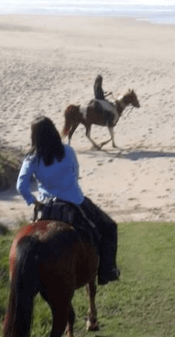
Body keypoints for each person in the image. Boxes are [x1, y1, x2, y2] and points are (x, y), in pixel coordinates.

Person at [16, 116, 120, 284]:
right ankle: (108, 271)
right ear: (54, 132)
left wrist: (33, 201)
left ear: (34, 136)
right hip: (74, 200)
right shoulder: (68, 151)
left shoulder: (32, 158)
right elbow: (76, 174)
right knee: (109, 227)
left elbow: (21, 185)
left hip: (46, 205)